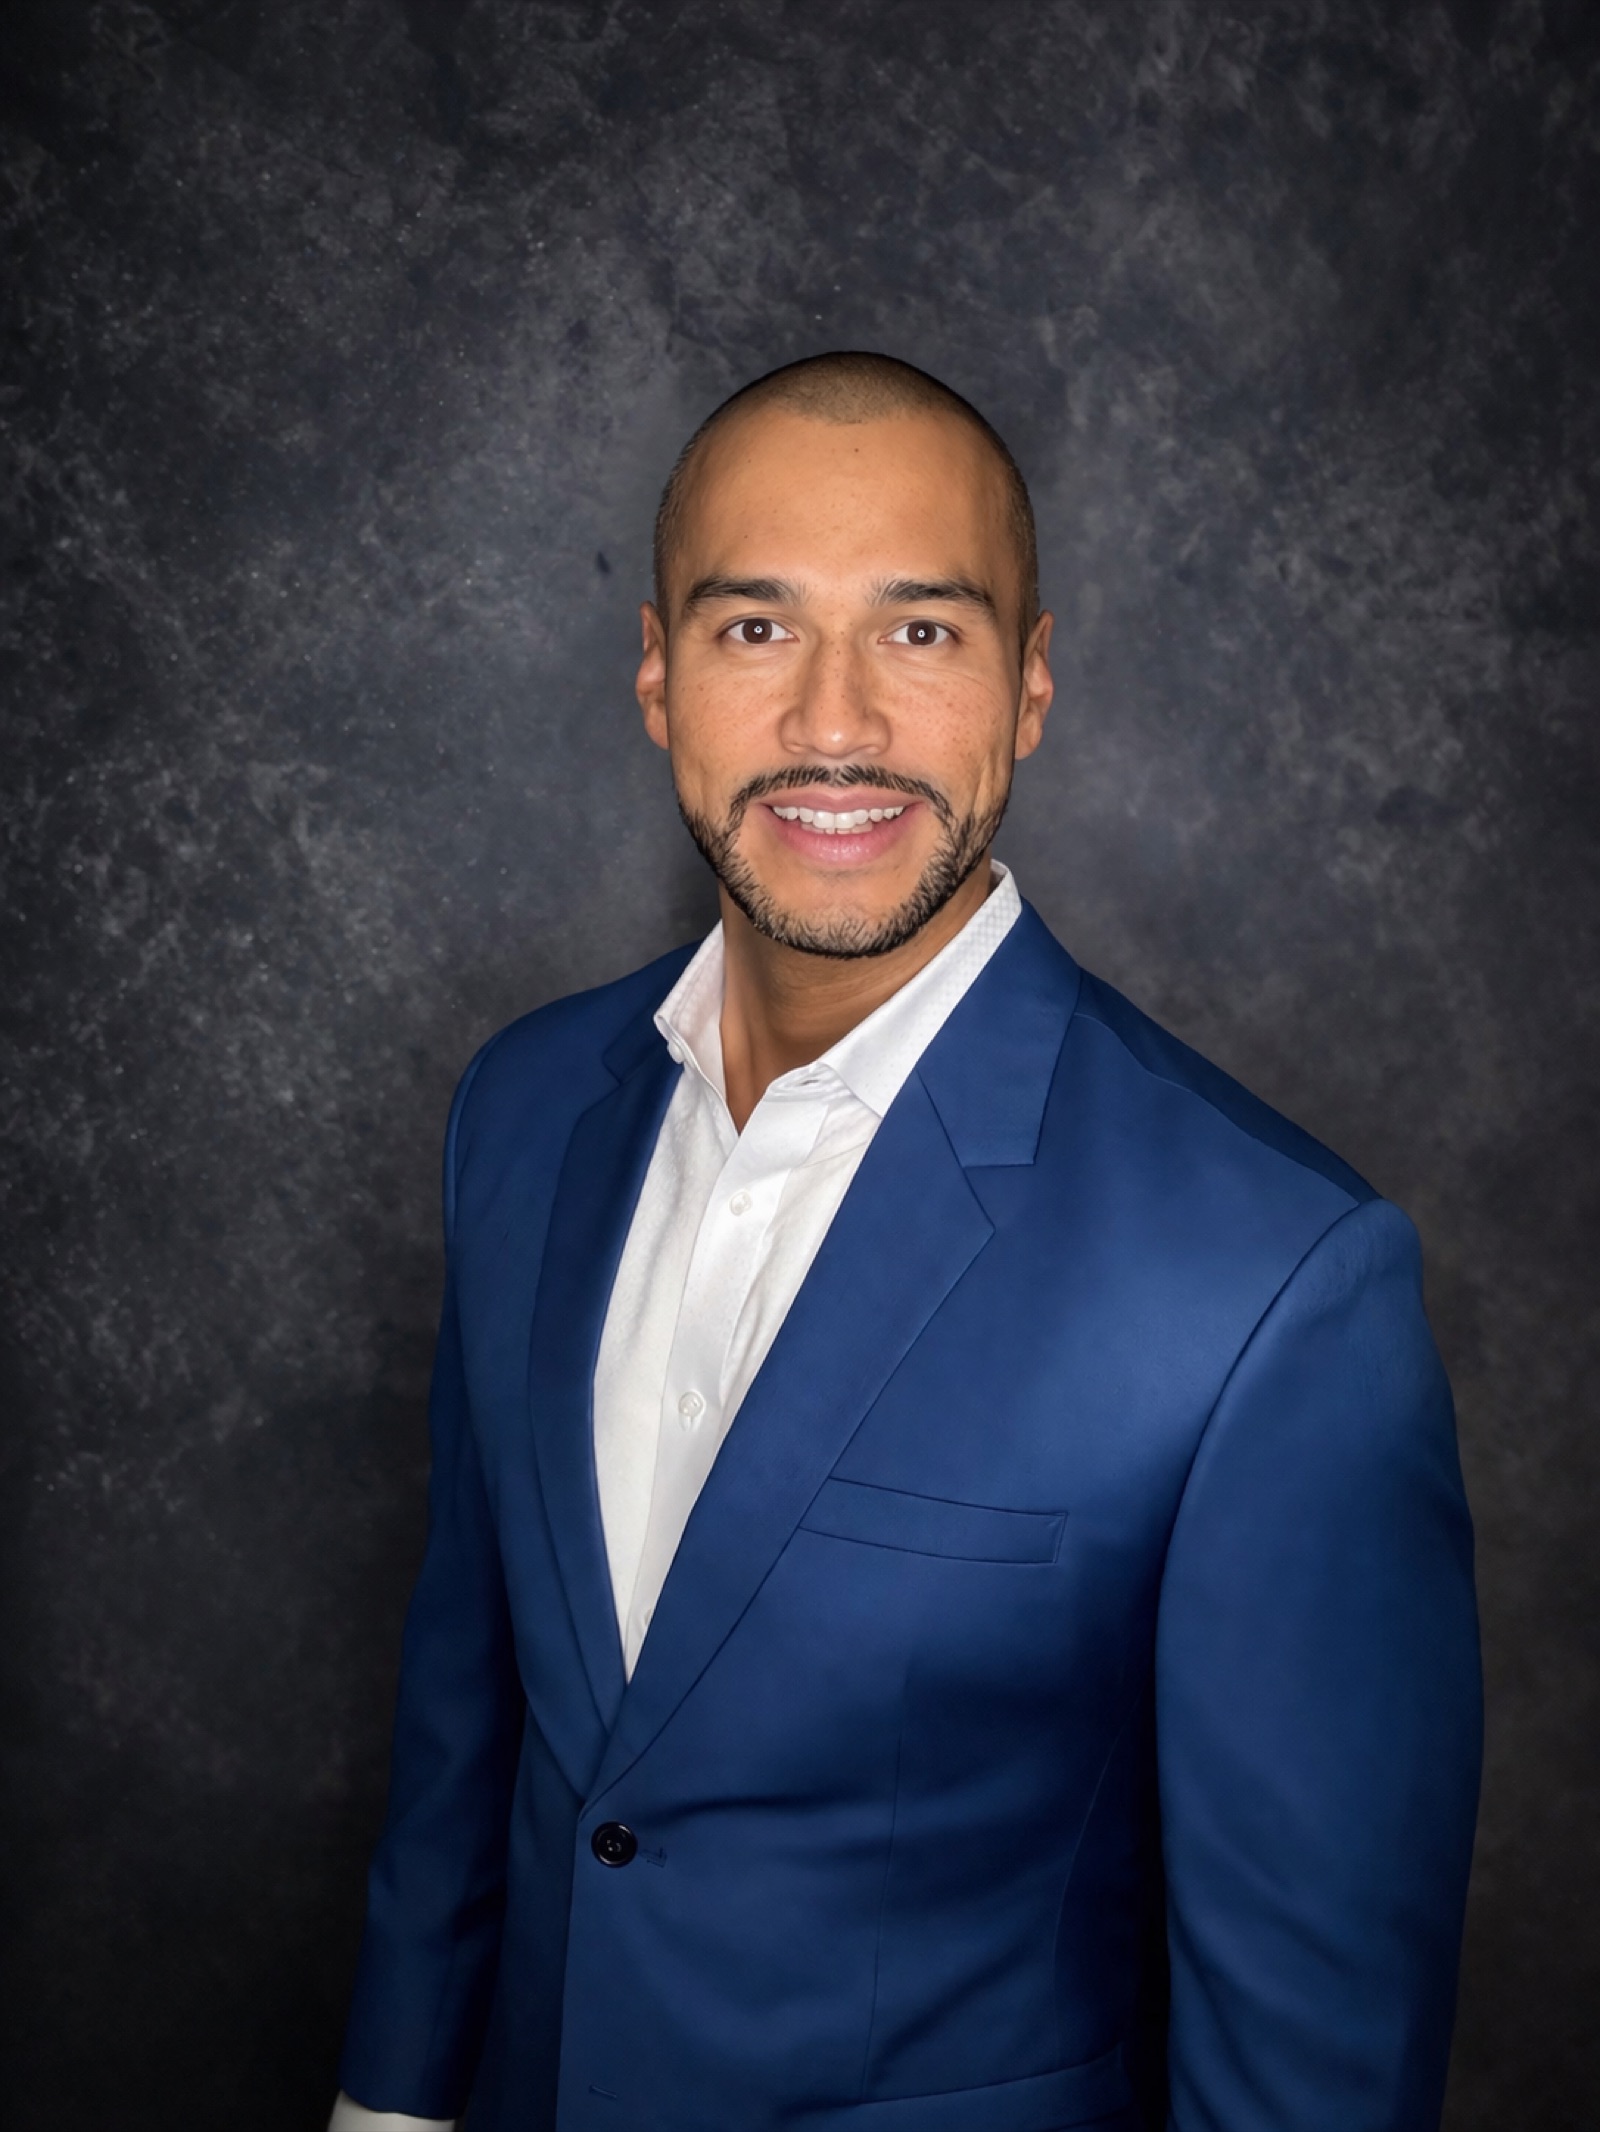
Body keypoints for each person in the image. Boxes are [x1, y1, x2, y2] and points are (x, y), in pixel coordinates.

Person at [329, 353, 1481, 2132]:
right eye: (755, 629)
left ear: (1031, 685)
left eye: (923, 634)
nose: (836, 723)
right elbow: (468, 1728)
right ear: (656, 671)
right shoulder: (524, 1108)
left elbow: (1309, 2068)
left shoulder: (1276, 1285)